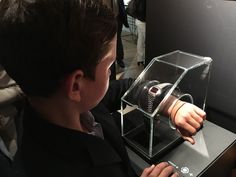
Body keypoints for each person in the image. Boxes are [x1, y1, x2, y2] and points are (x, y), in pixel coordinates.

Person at [0, 0, 205, 177]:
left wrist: (169, 103)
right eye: (108, 67)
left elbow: (124, 88)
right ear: (76, 85)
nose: (110, 74)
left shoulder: (66, 106)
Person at [103, 0, 129, 80]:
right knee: (107, 42)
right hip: (105, 20)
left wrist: (124, 20)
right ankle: (109, 64)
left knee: (118, 40)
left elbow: (120, 7)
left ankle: (119, 59)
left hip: (117, 19)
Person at [134, 0, 146, 66]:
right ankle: (145, 60)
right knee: (145, 41)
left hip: (138, 20)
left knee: (140, 40)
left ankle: (140, 59)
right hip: (144, 22)